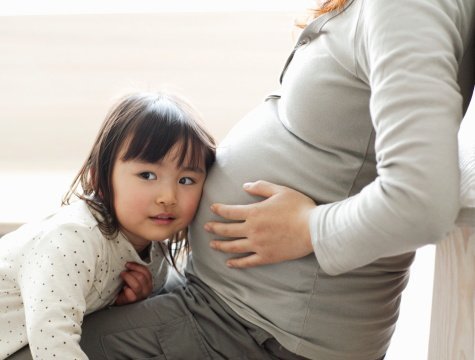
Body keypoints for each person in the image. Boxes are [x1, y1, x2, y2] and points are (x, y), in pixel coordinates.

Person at [9, 0, 475, 359]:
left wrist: (310, 229)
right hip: (228, 311)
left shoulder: (407, 9)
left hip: (257, 331)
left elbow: (422, 199)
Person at [0, 92, 216, 359]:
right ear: (100, 179)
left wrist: (126, 305)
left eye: (186, 180)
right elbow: (52, 342)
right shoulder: (72, 239)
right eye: (147, 175)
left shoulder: (156, 248)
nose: (168, 197)